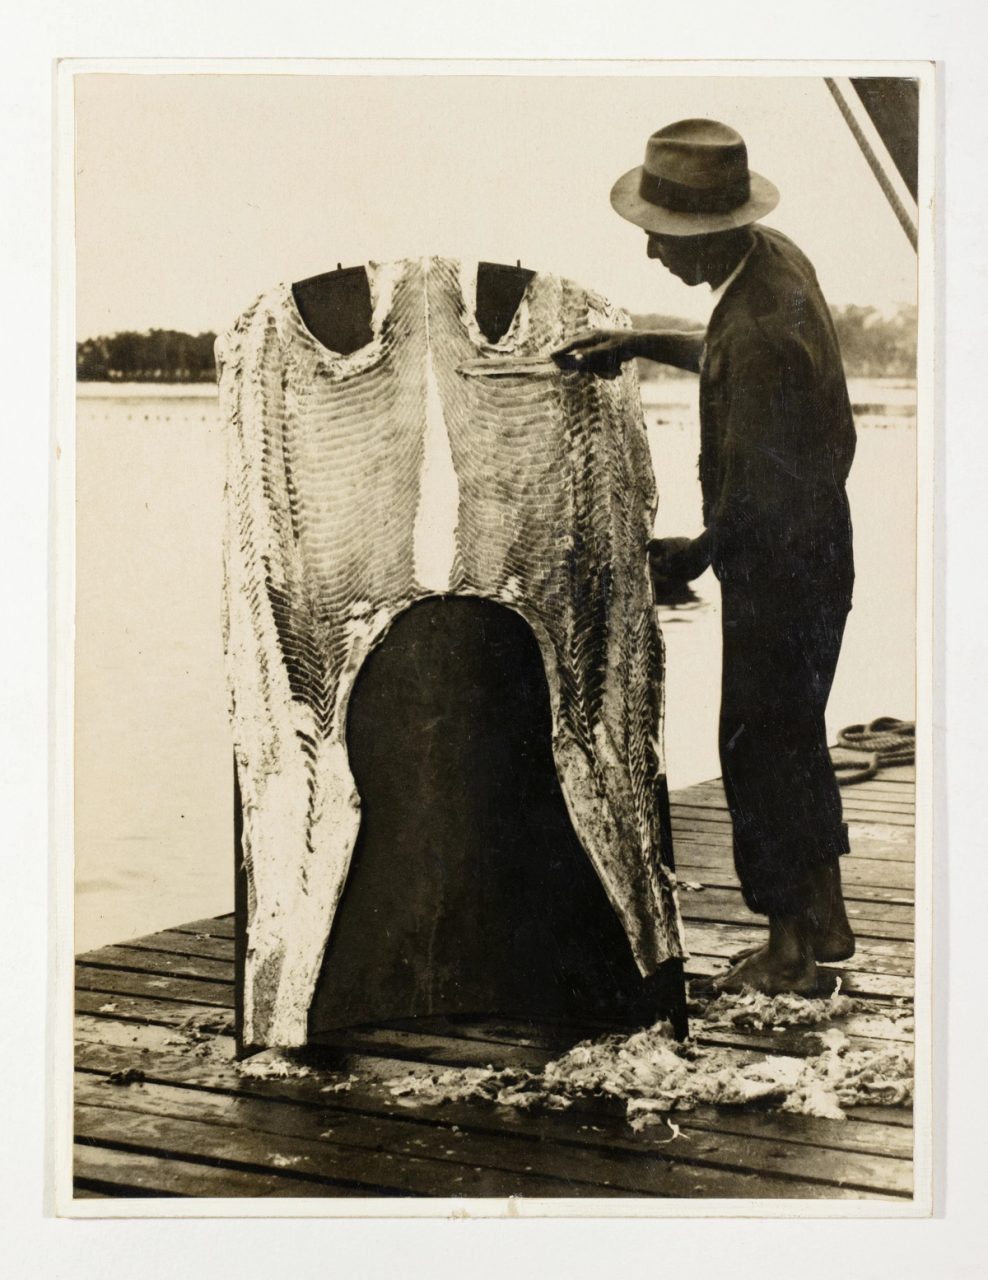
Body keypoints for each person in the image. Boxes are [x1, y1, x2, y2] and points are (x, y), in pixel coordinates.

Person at [553, 118, 857, 995]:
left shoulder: (760, 325)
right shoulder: (772, 265)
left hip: (777, 558)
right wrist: (642, 340)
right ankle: (824, 922)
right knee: (794, 735)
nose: (652, 252)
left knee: (756, 744)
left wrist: (691, 555)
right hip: (815, 550)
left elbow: (756, 491)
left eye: (662, 236)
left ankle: (791, 952)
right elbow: (729, 358)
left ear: (711, 231)